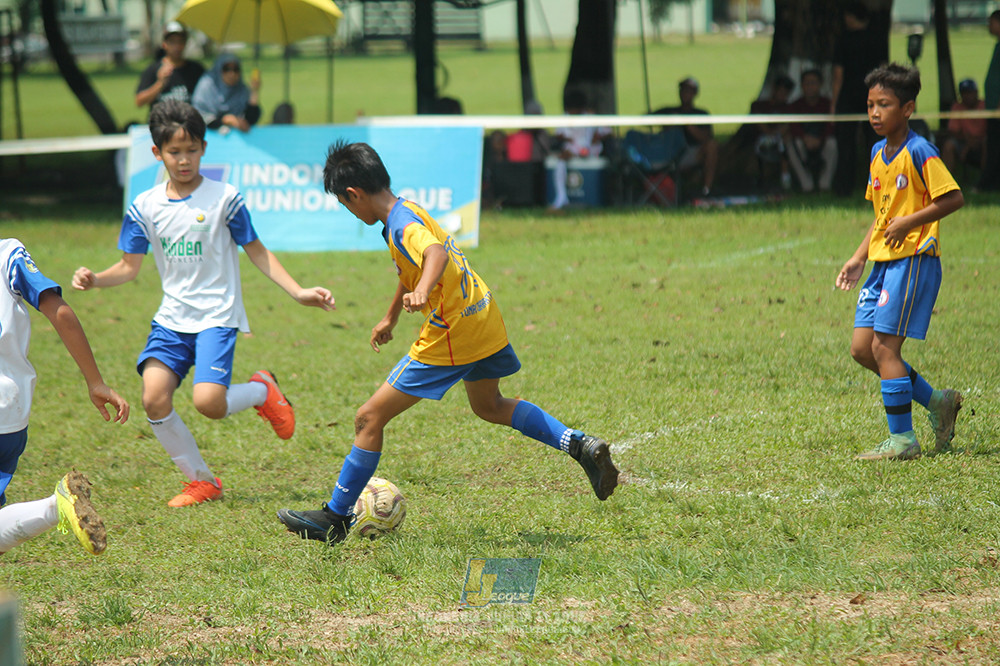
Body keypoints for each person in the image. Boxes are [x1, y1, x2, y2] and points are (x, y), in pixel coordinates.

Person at [276, 140, 619, 544]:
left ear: (354, 194)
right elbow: (412, 265)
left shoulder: (402, 226)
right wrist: (391, 316)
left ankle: (334, 518)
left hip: (453, 330)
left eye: (345, 204)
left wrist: (422, 290)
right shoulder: (407, 209)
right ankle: (579, 444)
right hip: (482, 313)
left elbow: (434, 254)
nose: (350, 211)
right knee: (489, 405)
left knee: (369, 418)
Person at [72, 101, 335, 508]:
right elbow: (128, 267)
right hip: (172, 320)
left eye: (192, 150)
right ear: (157, 152)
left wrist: (298, 291)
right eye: (174, 152)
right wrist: (96, 279)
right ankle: (202, 481)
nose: (184, 160)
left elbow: (257, 251)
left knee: (209, 404)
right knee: (153, 398)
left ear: (204, 149)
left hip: (217, 315)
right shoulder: (145, 207)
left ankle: (262, 391)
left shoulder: (225, 198)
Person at [835, 63, 964, 461]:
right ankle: (938, 401)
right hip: (883, 263)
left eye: (884, 104)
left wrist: (910, 221)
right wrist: (859, 257)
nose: (875, 113)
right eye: (870, 105)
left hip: (913, 260)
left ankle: (903, 441)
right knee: (863, 349)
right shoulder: (877, 153)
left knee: (884, 348)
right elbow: (882, 217)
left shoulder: (920, 150)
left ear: (907, 108)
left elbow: (953, 198)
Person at [0, 238, 130, 556]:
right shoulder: (8, 254)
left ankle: (54, 507)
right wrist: (95, 381)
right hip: (11, 410)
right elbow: (60, 312)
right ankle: (54, 507)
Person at [831, 3, 886, 196]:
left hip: (848, 98)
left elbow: (838, 75)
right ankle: (877, 185)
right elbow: (884, 70)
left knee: (846, 144)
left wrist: (834, 103)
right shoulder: (877, 39)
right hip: (873, 99)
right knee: (875, 143)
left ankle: (844, 187)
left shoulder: (843, 40)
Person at [653, 77, 719, 197]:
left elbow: (707, 138)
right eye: (683, 90)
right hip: (669, 153)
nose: (685, 93)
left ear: (695, 93)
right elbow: (645, 119)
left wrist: (687, 123)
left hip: (691, 153)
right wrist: (667, 123)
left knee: (712, 146)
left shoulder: (701, 114)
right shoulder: (669, 111)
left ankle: (706, 190)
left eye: (689, 91)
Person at [547, 90, 611, 211]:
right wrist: (566, 138)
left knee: (570, 154)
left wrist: (597, 137)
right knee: (561, 158)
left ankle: (565, 198)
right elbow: (558, 134)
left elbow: (608, 131)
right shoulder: (565, 117)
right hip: (572, 147)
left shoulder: (591, 117)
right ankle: (561, 196)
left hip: (590, 148)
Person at [135, 21, 205, 115]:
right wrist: (160, 84)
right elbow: (139, 101)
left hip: (187, 121)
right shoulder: (153, 69)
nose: (177, 46)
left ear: (185, 43)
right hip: (161, 121)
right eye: (172, 42)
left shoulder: (196, 69)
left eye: (180, 41)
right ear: (164, 44)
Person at [786, 69, 837, 193]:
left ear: (820, 84)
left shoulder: (827, 104)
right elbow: (793, 126)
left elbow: (831, 126)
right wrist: (805, 138)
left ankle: (824, 185)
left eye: (813, 83)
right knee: (792, 144)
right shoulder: (795, 105)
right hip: (803, 143)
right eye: (806, 83)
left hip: (822, 142)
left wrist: (820, 139)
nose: (810, 87)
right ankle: (806, 185)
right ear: (802, 86)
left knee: (832, 143)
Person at [191, 53, 262, 132]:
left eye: (235, 69)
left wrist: (254, 92)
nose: (232, 74)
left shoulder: (241, 89)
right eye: (226, 69)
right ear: (218, 70)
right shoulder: (206, 87)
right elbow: (199, 117)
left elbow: (250, 120)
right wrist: (225, 120)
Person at [940, 78, 986, 179]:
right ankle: (946, 180)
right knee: (949, 145)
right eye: (964, 93)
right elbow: (953, 131)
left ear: (976, 92)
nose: (967, 96)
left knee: (987, 143)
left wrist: (977, 141)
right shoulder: (957, 107)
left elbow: (991, 130)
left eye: (970, 93)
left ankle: (985, 179)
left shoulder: (984, 106)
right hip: (964, 141)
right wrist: (968, 142)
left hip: (983, 141)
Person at [978, 10, 1000, 191]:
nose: (989, 26)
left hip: (997, 109)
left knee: (995, 147)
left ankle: (989, 183)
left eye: (991, 22)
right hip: (992, 107)